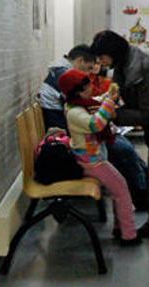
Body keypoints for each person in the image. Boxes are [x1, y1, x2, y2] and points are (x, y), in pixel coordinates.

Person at [90, 30, 149, 244]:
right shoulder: (124, 67)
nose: (100, 62)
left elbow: (147, 113)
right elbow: (120, 97)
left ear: (113, 52)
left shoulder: (146, 69)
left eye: (102, 56)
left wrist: (112, 115)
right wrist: (106, 104)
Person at [38, 45, 149, 209]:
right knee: (123, 148)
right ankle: (142, 196)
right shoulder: (64, 76)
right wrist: (107, 102)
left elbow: (85, 102)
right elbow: (83, 104)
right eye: (88, 68)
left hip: (71, 128)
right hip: (70, 136)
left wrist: (105, 100)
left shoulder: (60, 71)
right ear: (80, 60)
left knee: (124, 145)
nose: (89, 74)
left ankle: (146, 189)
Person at [58, 68, 140, 247]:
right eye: (87, 86)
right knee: (122, 190)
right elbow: (95, 123)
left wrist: (107, 96)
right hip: (93, 163)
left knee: (118, 190)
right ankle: (129, 235)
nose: (91, 89)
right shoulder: (74, 112)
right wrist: (109, 102)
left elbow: (96, 101)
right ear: (77, 91)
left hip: (94, 159)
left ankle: (121, 229)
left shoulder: (78, 105)